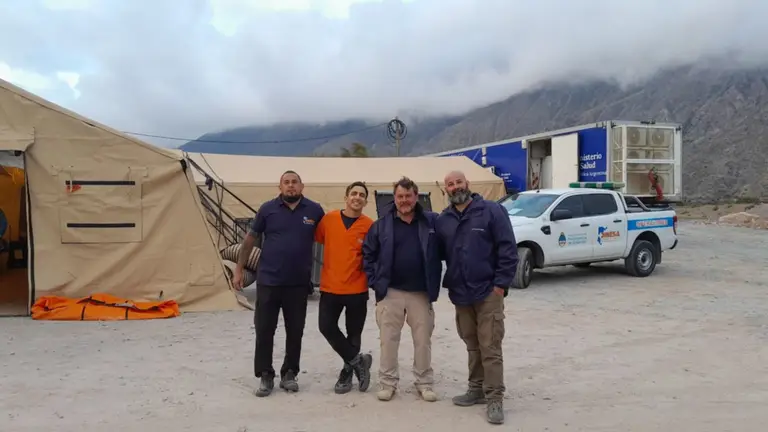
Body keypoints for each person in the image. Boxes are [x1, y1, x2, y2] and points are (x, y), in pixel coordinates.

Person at [233, 170, 325, 397]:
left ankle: (290, 374)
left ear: (302, 186)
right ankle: (265, 375)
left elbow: (329, 238)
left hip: (298, 283)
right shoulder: (267, 209)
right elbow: (249, 240)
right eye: (286, 182)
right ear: (280, 187)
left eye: (294, 182)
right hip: (269, 281)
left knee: (295, 331)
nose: (290, 186)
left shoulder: (315, 210)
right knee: (264, 330)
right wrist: (239, 269)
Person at [436, 170, 518, 425]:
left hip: (488, 292)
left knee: (490, 345)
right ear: (446, 189)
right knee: (472, 343)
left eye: (458, 182)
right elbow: (438, 253)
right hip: (461, 294)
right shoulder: (444, 219)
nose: (455, 187)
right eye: (450, 184)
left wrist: (500, 285)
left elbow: (508, 248)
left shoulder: (491, 211)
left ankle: (495, 398)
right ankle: (476, 388)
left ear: (467, 184)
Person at [362, 176, 442, 402]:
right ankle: (388, 383)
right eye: (400, 196)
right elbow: (368, 254)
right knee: (388, 340)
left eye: (408, 196)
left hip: (421, 293)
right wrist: (375, 282)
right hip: (390, 292)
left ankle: (424, 383)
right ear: (394, 198)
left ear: (416, 197)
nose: (404, 200)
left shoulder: (431, 222)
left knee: (423, 341)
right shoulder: (381, 225)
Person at [314, 181, 375, 394]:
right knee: (326, 327)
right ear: (346, 197)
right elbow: (319, 239)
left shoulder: (369, 226)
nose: (357, 197)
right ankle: (358, 361)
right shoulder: (329, 220)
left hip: (357, 288)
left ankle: (346, 374)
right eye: (353, 193)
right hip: (330, 287)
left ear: (366, 202)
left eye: (361, 195)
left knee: (354, 333)